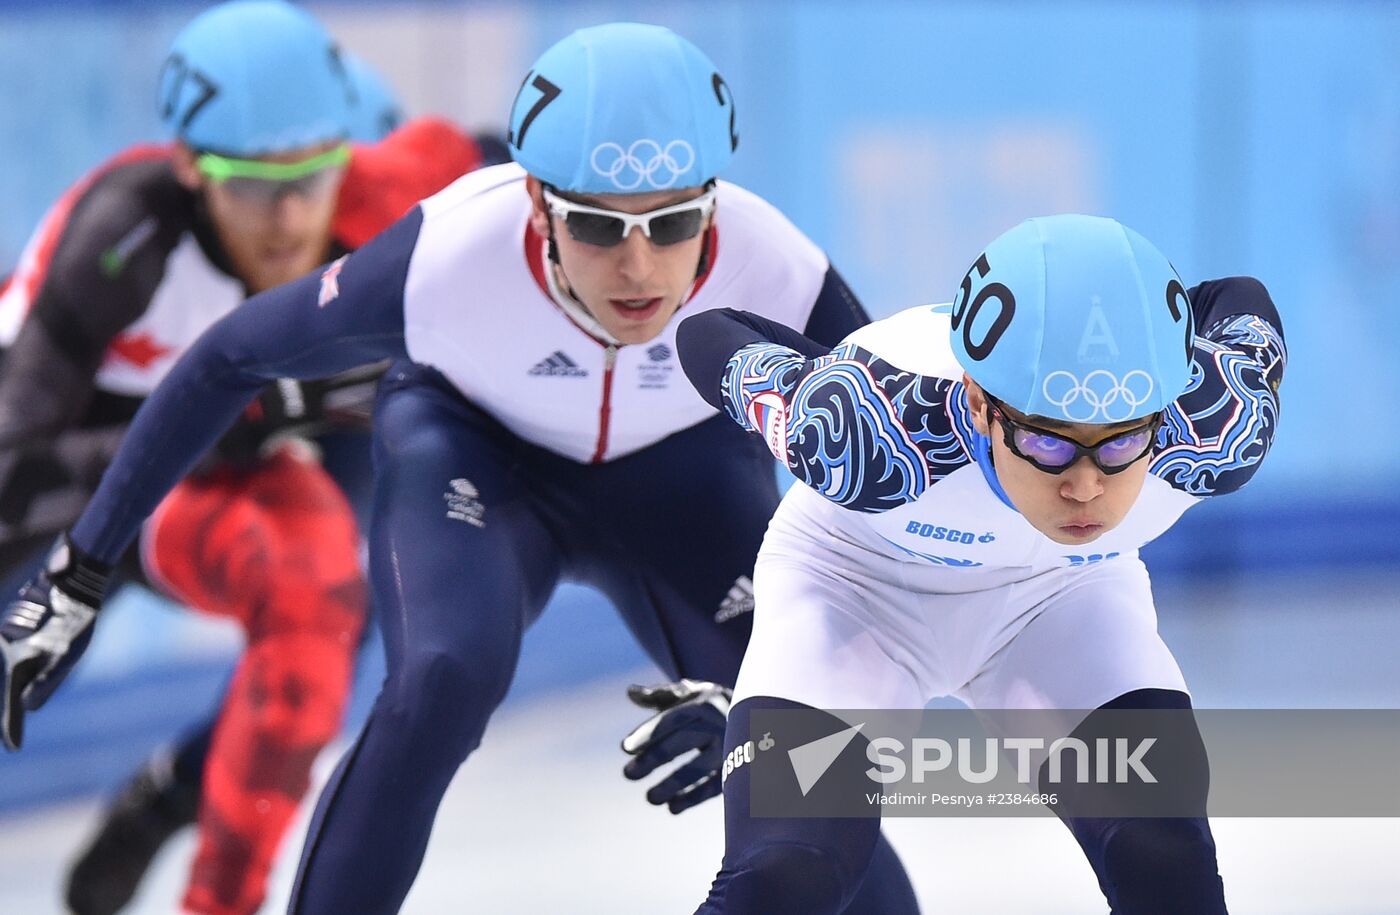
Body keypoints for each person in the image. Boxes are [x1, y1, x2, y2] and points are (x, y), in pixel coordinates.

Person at [0, 22, 920, 915]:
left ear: (715, 200)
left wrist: (783, 684)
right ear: (535, 204)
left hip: (680, 477)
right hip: (480, 459)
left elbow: (912, 489)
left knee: (803, 751)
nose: (638, 266)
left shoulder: (780, 268)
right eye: (597, 228)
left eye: (674, 221)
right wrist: (79, 572)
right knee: (439, 677)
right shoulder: (447, 252)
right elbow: (223, 358)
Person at [0, 2, 486, 913]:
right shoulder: (123, 235)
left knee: (333, 610)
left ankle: (193, 845)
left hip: (248, 463)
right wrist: (245, 413)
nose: (293, 216)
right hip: (75, 482)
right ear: (189, 167)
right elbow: (12, 471)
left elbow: (538, 172)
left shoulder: (395, 204)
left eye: (317, 175)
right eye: (253, 184)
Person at [674, 213, 1287, 913]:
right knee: (785, 874)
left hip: (1060, 596)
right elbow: (708, 330)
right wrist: (808, 386)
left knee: (1166, 858)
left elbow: (1235, 294)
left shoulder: (1216, 425)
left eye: (1119, 445)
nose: (1085, 485)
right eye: (1049, 442)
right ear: (977, 401)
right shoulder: (870, 433)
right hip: (856, 586)